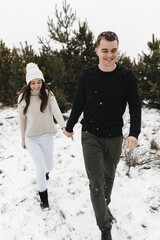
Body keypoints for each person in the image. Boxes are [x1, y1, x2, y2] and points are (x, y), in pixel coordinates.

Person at [63, 31, 141, 240]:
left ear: (118, 50)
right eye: (105, 50)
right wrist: (70, 126)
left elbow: (135, 106)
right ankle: (104, 228)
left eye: (113, 50)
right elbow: (79, 102)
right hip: (91, 134)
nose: (109, 55)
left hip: (115, 136)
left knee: (109, 177)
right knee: (96, 182)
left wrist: (134, 134)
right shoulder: (88, 75)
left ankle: (103, 208)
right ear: (97, 50)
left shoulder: (127, 76)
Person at [18, 62, 65, 210]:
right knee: (39, 167)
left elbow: (57, 111)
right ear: (28, 83)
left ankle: (45, 173)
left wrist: (64, 126)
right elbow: (22, 119)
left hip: (47, 136)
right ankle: (44, 200)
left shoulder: (48, 95)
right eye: (33, 83)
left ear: (42, 82)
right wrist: (23, 138)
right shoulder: (22, 98)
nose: (36, 86)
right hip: (31, 137)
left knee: (48, 166)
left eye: (39, 82)